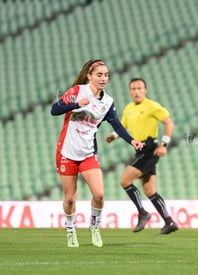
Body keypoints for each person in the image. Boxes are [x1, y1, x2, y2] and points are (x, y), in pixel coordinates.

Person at [50, 59, 143, 248]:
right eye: (99, 75)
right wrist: (75, 104)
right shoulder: (77, 91)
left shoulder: (107, 102)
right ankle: (70, 230)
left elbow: (116, 124)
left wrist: (131, 140)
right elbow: (55, 109)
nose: (103, 78)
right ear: (89, 76)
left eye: (106, 75)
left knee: (99, 194)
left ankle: (94, 227)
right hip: (67, 152)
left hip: (88, 154)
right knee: (70, 197)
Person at [106, 78, 178, 234]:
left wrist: (164, 145)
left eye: (139, 88)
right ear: (130, 91)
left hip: (149, 148)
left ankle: (143, 213)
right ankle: (169, 222)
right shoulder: (129, 108)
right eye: (133, 88)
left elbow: (169, 123)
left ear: (145, 90)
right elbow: (123, 126)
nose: (136, 91)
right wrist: (113, 135)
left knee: (124, 180)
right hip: (139, 149)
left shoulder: (152, 106)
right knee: (149, 190)